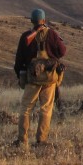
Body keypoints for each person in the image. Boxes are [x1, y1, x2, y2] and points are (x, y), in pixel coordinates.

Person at [13, 8, 67, 147]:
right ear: (43, 20)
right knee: (46, 109)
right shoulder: (52, 34)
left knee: (26, 109)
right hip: (49, 79)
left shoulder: (26, 36)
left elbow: (19, 60)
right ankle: (41, 140)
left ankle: (22, 140)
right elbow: (62, 52)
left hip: (32, 79)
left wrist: (20, 75)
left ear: (32, 21)